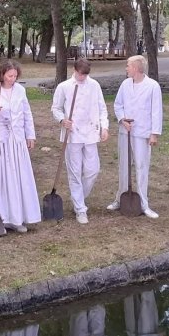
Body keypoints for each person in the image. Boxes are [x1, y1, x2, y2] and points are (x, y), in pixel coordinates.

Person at [0, 60, 41, 232]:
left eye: (15, 76)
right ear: (2, 74)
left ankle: (17, 218)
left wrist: (30, 135)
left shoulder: (20, 90)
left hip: (16, 141)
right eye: (10, 76)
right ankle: (1, 218)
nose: (13, 79)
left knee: (17, 178)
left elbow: (27, 113)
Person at [50, 59, 109, 224]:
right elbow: (56, 108)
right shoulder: (64, 87)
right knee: (75, 172)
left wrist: (104, 127)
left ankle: (79, 197)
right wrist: (62, 120)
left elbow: (102, 108)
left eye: (85, 75)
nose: (82, 77)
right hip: (72, 134)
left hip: (90, 132)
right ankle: (80, 209)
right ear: (74, 70)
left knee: (93, 170)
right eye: (80, 74)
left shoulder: (94, 85)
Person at [109, 55, 164, 218]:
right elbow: (118, 105)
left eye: (128, 65)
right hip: (125, 132)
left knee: (141, 166)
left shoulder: (152, 86)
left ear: (136, 68)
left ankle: (143, 203)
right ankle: (120, 198)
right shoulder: (125, 84)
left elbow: (156, 111)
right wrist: (122, 119)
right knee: (124, 166)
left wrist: (154, 134)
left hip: (143, 133)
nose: (126, 68)